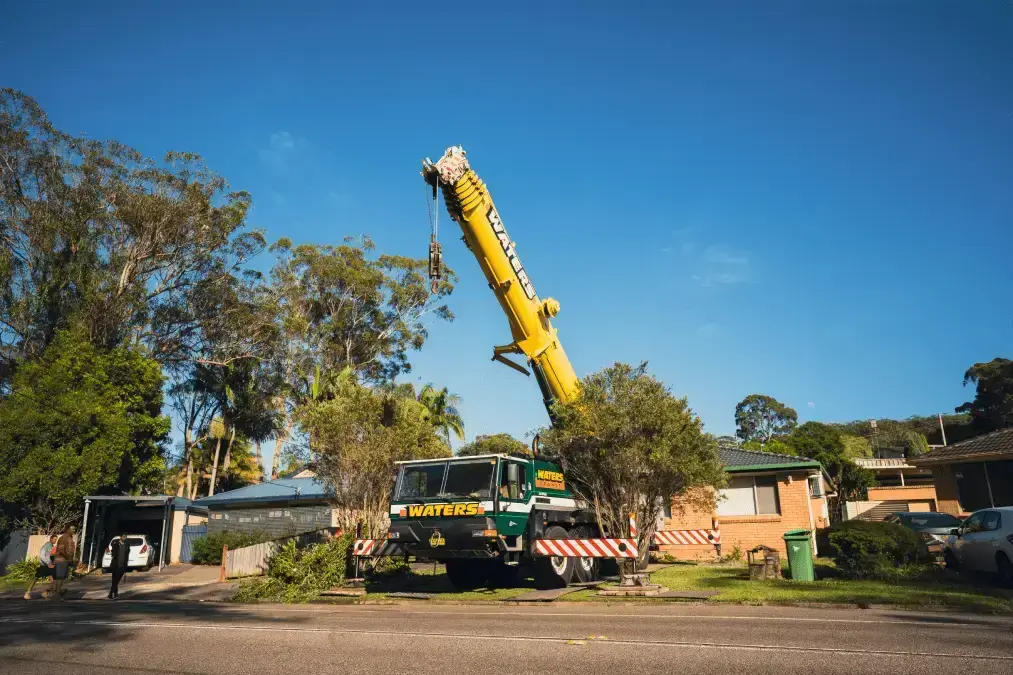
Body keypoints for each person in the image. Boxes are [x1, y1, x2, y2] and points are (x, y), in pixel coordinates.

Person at [23, 534, 58, 600]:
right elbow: (42, 556)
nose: (55, 541)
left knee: (53, 581)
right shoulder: (46, 546)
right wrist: (48, 563)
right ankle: (27, 593)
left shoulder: (51, 546)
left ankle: (45, 593)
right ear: (51, 539)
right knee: (36, 579)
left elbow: (50, 556)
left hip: (48, 566)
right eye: (54, 539)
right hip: (44, 566)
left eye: (56, 539)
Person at [52, 525, 76, 599]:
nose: (74, 531)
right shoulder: (63, 538)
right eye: (72, 529)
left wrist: (70, 559)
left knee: (62, 577)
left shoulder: (69, 538)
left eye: (74, 530)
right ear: (68, 530)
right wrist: (68, 558)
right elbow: (61, 550)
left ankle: (58, 593)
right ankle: (57, 595)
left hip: (66, 560)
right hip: (61, 560)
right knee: (59, 577)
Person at [108, 535, 128, 600]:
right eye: (124, 536)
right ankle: (115, 594)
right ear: (121, 537)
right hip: (115, 565)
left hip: (122, 566)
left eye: (126, 537)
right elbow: (113, 553)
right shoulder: (116, 544)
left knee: (116, 581)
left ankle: (111, 593)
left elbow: (127, 556)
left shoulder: (127, 545)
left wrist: (126, 565)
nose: (125, 538)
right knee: (114, 581)